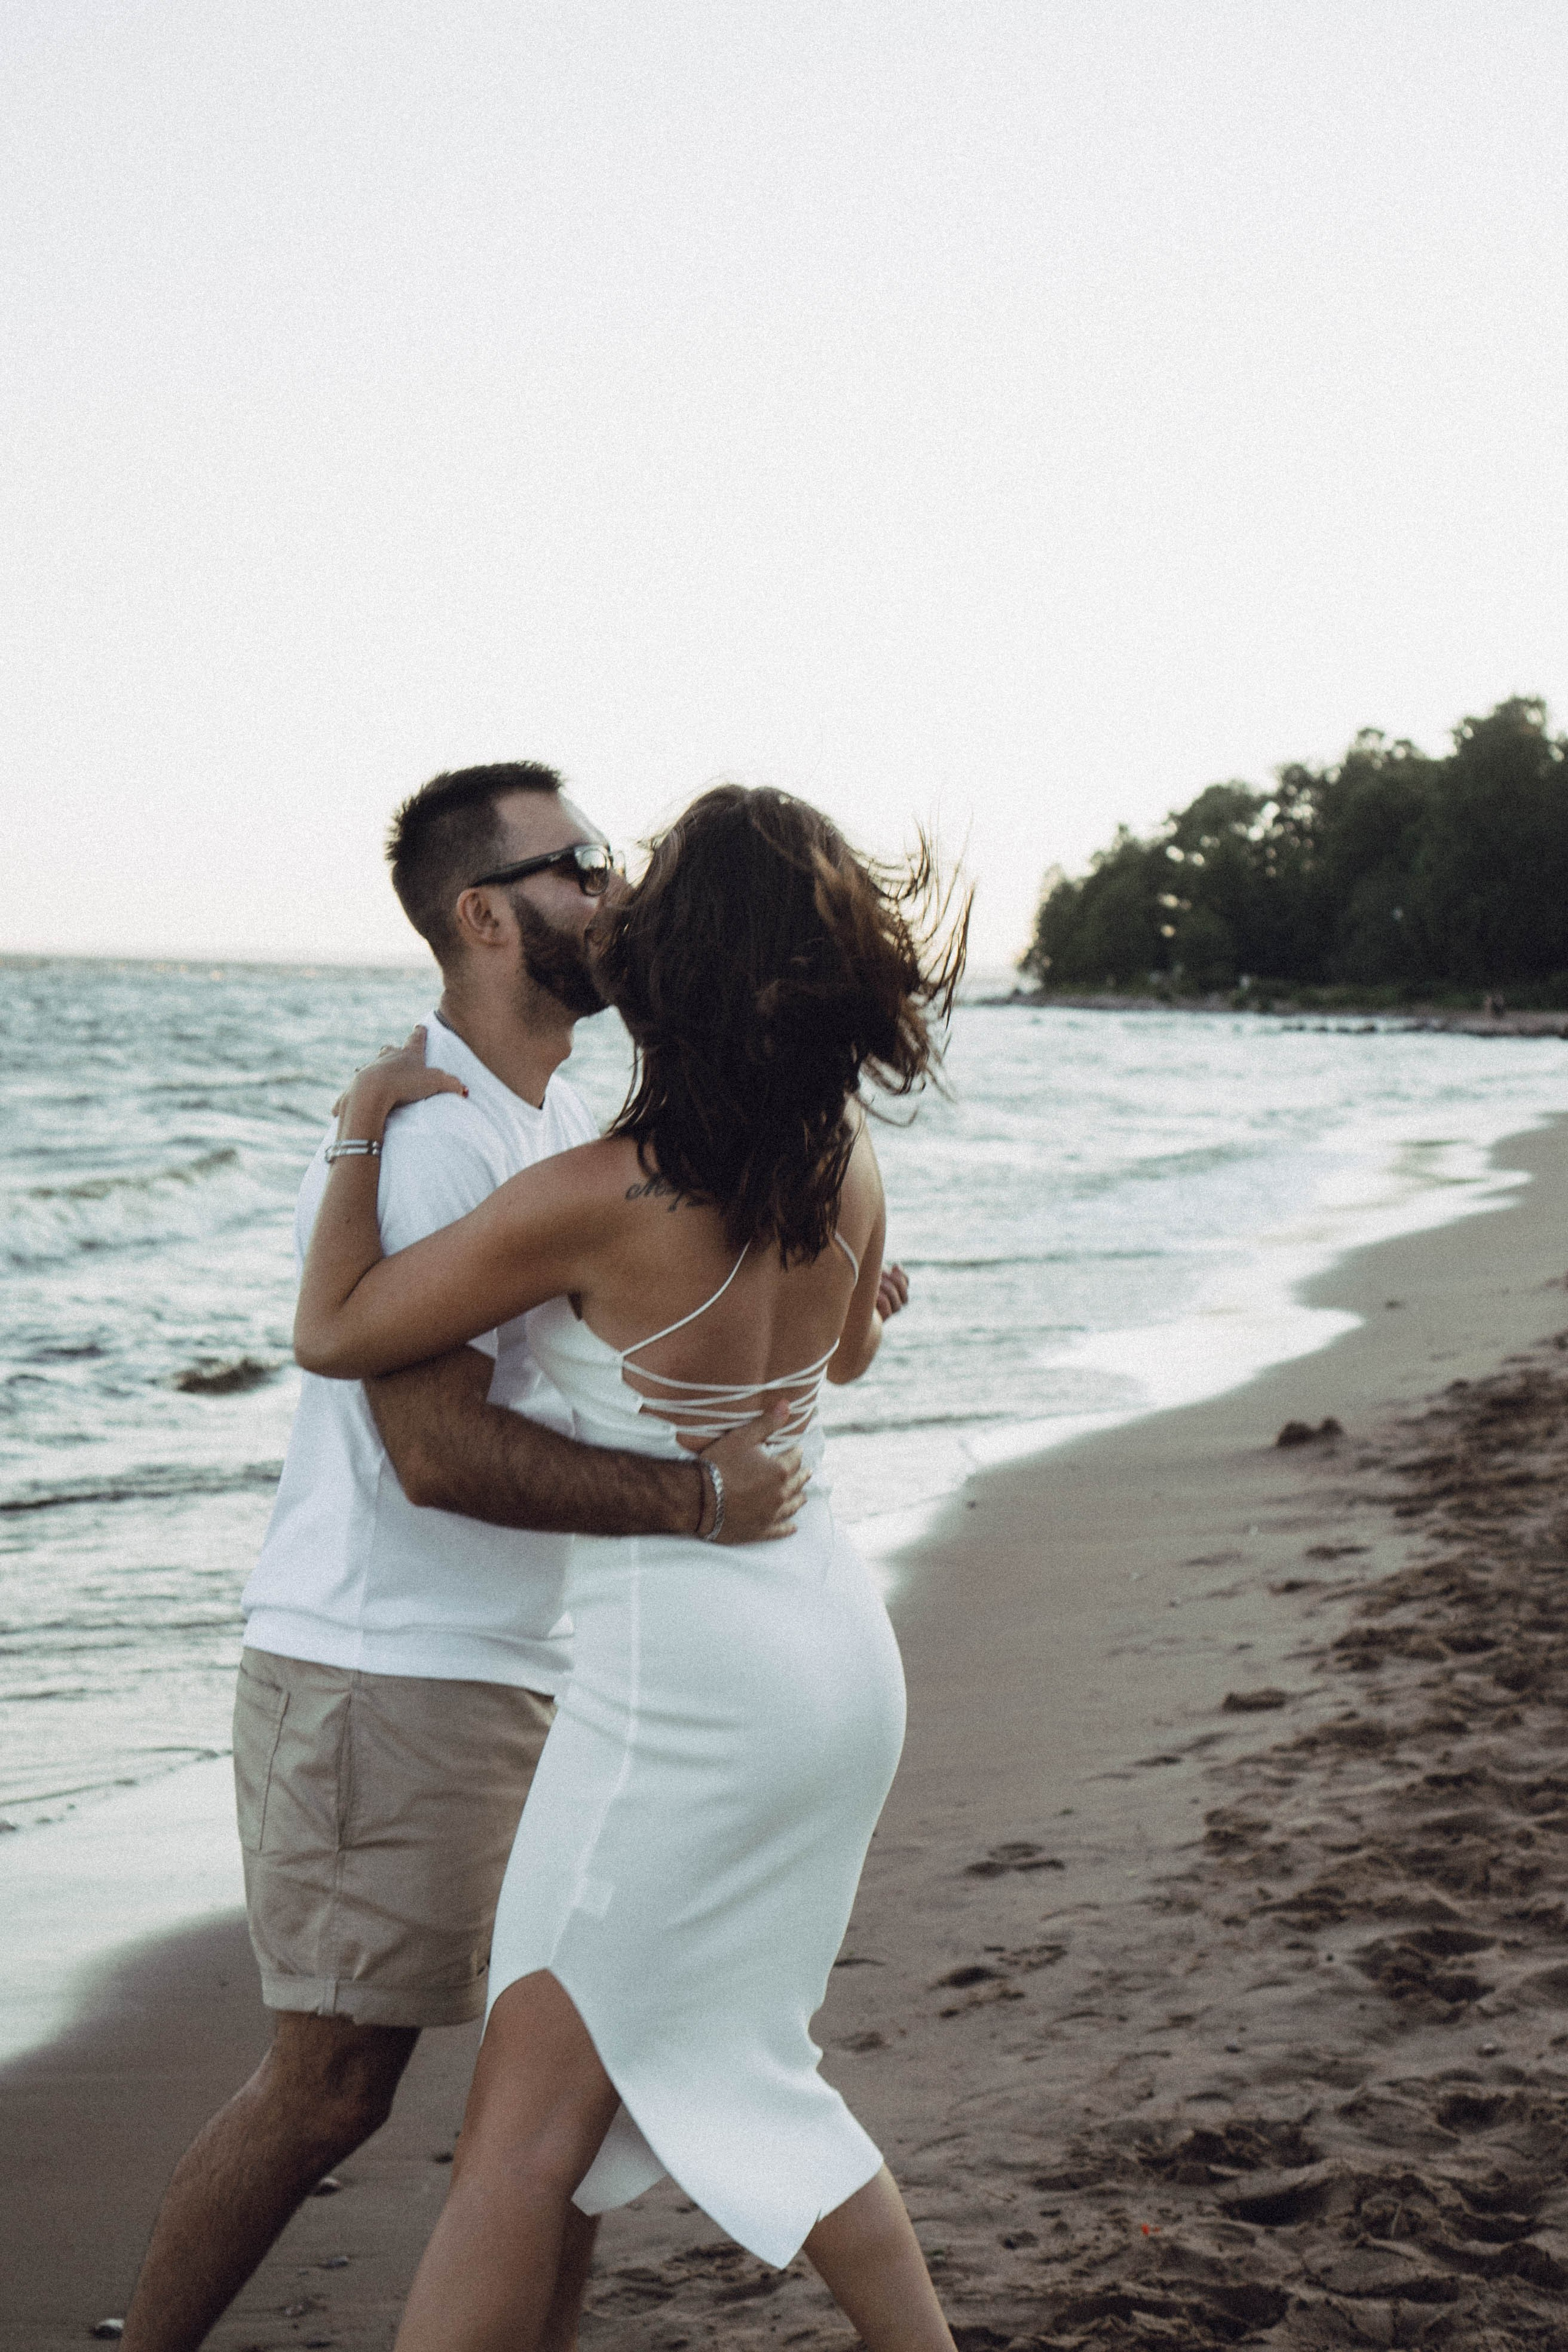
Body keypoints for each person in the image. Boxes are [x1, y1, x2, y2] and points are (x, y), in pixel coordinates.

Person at [119, 763, 812, 2352]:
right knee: (331, 2088)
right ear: (485, 916)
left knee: (566, 2075)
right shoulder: (434, 1136)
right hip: (389, 1676)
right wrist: (697, 1505)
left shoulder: (552, 1119)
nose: (615, 892)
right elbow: (433, 1453)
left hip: (523, 1673)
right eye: (583, 864)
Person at [294, 783, 967, 2352]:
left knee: (519, 2147)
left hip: (681, 1698)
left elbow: (335, 1332)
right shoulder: (845, 1163)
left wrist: (360, 1129)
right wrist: (851, 1313)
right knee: (748, 2065)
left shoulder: (599, 1197)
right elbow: (843, 1360)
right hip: (826, 1658)